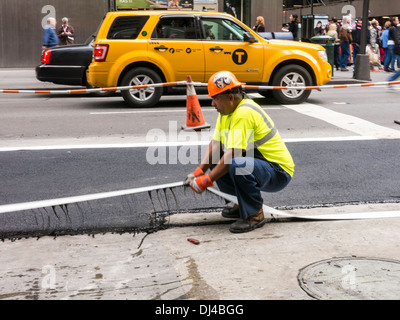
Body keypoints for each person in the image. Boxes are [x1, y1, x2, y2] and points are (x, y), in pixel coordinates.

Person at [184, 71, 294, 233]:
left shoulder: (244, 113)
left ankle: (254, 214)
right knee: (218, 159)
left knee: (237, 163)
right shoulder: (227, 112)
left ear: (230, 97)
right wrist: (200, 171)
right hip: (260, 164)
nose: (213, 104)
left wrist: (207, 180)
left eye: (215, 99)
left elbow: (234, 154)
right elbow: (216, 144)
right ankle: (240, 203)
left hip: (278, 171)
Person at [387, 17, 400, 90]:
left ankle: (391, 80)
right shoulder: (393, 28)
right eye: (397, 20)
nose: (398, 20)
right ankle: (391, 80)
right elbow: (396, 38)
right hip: (397, 48)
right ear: (394, 21)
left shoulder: (396, 28)